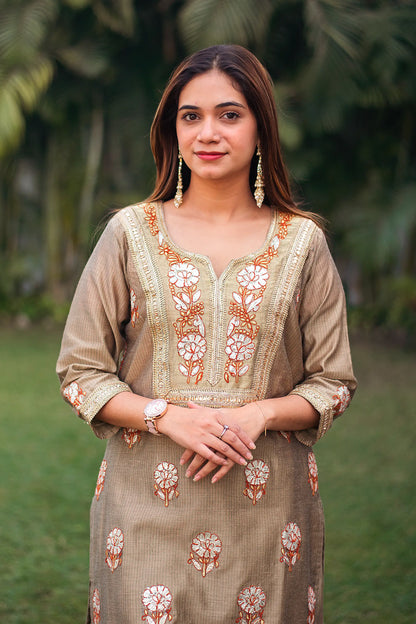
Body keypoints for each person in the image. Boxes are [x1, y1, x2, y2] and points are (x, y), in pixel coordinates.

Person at [57, 44, 356, 624]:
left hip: (268, 517)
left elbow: (334, 382)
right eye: (190, 116)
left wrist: (259, 415)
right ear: (172, 129)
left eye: (230, 114)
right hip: (146, 508)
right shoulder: (130, 234)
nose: (207, 132)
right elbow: (80, 373)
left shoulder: (301, 244)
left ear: (261, 126)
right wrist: (168, 416)